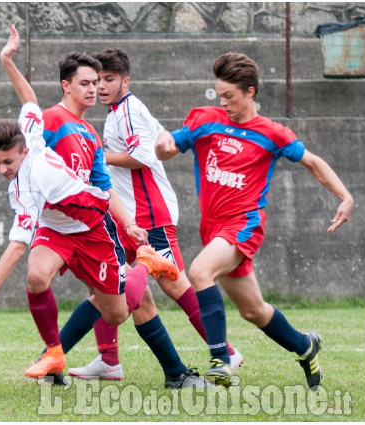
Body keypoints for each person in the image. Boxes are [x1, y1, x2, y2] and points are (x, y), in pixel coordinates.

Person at [0, 25, 184, 382]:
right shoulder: (50, 121)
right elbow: (8, 153)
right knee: (36, 275)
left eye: (97, 83)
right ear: (66, 85)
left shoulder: (91, 135)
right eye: (86, 83)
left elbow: (104, 191)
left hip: (91, 230)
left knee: (117, 313)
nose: (94, 89)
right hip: (56, 229)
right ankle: (55, 355)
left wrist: (128, 226)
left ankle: (145, 264)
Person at [155, 52, 354, 389]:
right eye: (220, 95)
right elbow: (169, 146)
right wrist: (163, 146)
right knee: (254, 311)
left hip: (244, 224)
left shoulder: (272, 133)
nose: (224, 102)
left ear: (250, 92)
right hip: (213, 229)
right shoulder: (206, 119)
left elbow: (314, 163)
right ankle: (306, 347)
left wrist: (345, 196)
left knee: (200, 272)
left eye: (230, 96)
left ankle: (221, 358)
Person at [66, 48, 242, 381]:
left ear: (125, 81)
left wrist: (98, 157)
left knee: (175, 285)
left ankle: (226, 352)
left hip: (150, 214)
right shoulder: (121, 111)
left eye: (109, 79)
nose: (101, 86)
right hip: (129, 216)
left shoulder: (128, 110)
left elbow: (144, 156)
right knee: (106, 282)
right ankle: (109, 360)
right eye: (98, 80)